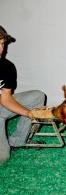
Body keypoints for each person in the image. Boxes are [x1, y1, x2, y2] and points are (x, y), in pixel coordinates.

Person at [0, 26, 46, 163]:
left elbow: (6, 99)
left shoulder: (7, 67)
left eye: (2, 44)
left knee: (37, 96)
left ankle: (17, 142)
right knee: (3, 158)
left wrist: (29, 113)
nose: (1, 49)